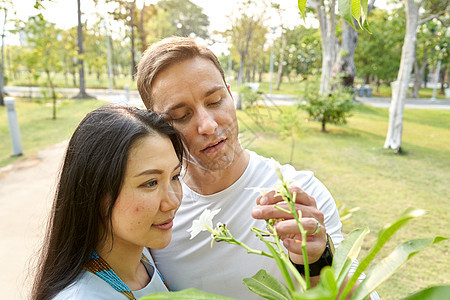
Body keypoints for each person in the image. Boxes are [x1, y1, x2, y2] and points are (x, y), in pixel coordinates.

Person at [136, 36, 379, 299]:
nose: (208, 125)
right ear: (158, 127)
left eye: (215, 101)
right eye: (181, 116)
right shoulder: (159, 212)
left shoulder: (299, 196)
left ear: (230, 95)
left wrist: (320, 259)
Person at [31, 105, 185, 300]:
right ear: (95, 193)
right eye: (150, 183)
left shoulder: (143, 261)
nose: (172, 201)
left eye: (175, 176)